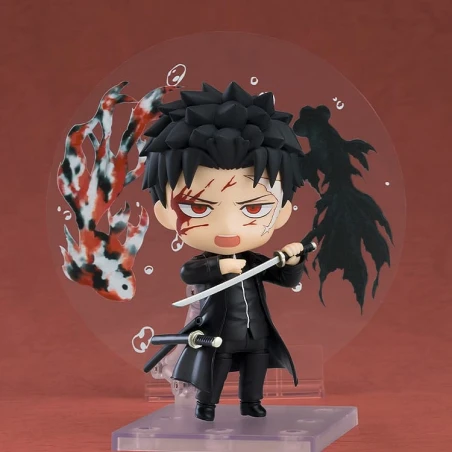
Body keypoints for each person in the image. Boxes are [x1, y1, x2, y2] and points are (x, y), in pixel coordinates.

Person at [140, 81, 392, 421]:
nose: (228, 227)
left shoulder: (253, 261)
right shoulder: (209, 263)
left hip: (256, 332)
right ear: (165, 213)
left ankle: (251, 402)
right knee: (215, 368)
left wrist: (294, 260)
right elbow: (191, 272)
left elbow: (285, 278)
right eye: (199, 208)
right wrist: (221, 269)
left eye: (254, 208)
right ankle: (206, 404)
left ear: (282, 212)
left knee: (256, 365)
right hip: (219, 333)